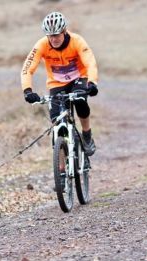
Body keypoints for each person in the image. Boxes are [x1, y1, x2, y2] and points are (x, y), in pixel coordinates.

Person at [21, 11, 99, 156]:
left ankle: (87, 135)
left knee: (80, 101)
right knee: (57, 124)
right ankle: (61, 169)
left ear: (64, 31)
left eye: (56, 35)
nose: (54, 39)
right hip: (56, 83)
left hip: (79, 78)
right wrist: (27, 90)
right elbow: (27, 69)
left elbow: (90, 62)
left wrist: (92, 83)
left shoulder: (77, 41)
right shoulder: (42, 45)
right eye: (50, 35)